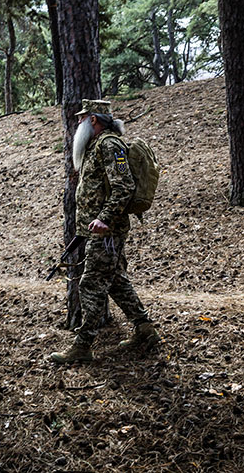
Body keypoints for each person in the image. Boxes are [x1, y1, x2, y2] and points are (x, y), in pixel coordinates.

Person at [50, 99, 160, 364]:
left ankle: (83, 345)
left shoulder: (110, 145)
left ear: (94, 120)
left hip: (107, 232)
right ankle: (145, 329)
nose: (78, 123)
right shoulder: (97, 146)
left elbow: (123, 185)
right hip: (96, 230)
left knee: (91, 283)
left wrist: (104, 218)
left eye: (82, 118)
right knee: (115, 281)